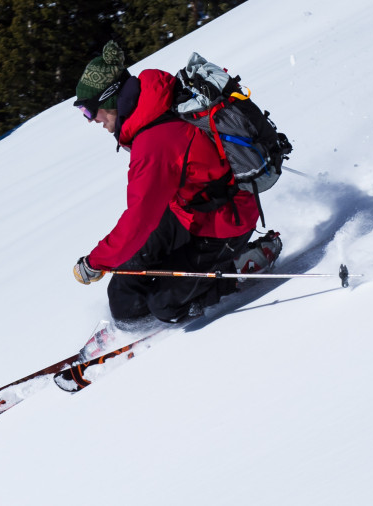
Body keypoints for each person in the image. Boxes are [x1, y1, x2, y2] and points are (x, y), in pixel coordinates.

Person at [71, 40, 262, 323]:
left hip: (225, 221)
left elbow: (140, 219)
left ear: (109, 98)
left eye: (88, 111)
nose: (90, 120)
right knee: (124, 294)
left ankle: (240, 266)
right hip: (187, 212)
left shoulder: (152, 143)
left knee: (164, 305)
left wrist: (94, 262)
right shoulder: (151, 104)